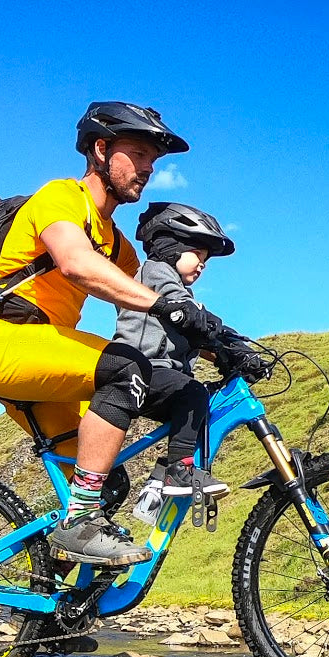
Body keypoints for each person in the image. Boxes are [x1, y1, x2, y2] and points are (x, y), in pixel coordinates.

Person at [0, 102, 226, 566]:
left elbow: (146, 295)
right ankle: (79, 521)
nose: (148, 168)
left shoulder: (117, 242)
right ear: (100, 149)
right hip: (2, 343)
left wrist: (219, 341)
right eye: (139, 153)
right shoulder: (61, 198)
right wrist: (162, 302)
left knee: (110, 480)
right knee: (126, 369)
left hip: (50, 362)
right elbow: (77, 264)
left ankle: (58, 605)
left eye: (154, 161)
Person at [114, 202, 244, 520]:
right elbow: (181, 308)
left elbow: (193, 328)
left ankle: (157, 486)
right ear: (172, 247)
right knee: (193, 394)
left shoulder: (175, 284)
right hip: (142, 368)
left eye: (206, 261)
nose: (202, 265)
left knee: (193, 410)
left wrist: (231, 348)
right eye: (198, 255)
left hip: (157, 372)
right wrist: (210, 325)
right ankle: (177, 473)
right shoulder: (156, 271)